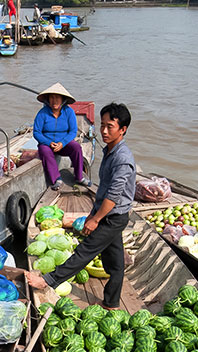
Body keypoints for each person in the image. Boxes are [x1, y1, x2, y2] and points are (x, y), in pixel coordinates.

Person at [26, 102, 135, 310]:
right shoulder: (111, 150)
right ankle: (111, 303)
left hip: (112, 215)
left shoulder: (122, 158)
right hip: (109, 213)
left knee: (85, 251)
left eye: (110, 127)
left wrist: (95, 219)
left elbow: (113, 195)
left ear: (123, 130)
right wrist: (94, 213)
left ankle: (48, 280)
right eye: (102, 125)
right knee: (115, 263)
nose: (103, 131)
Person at [32, 83, 86, 191]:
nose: (54, 101)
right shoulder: (42, 113)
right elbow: (37, 132)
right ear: (48, 99)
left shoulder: (69, 112)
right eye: (52, 97)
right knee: (44, 150)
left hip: (64, 144)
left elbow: (73, 131)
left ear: (63, 99)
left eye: (57, 98)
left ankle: (79, 176)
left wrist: (62, 143)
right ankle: (56, 178)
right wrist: (48, 143)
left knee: (76, 147)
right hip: (48, 144)